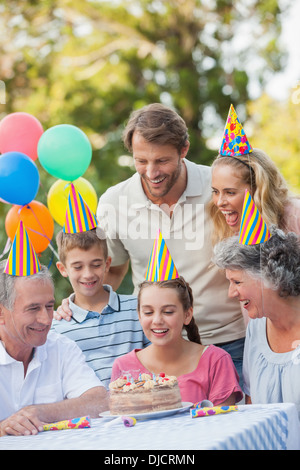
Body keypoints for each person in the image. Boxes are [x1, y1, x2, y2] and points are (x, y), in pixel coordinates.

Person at [92, 103, 246, 378]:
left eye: (161, 160)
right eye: (141, 161)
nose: (151, 172)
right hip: (159, 351)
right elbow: (113, 268)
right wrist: (83, 302)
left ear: (183, 150)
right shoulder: (113, 203)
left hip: (231, 344)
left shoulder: (217, 187)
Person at [0, 261, 107, 437]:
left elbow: (100, 402)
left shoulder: (62, 348)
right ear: (1, 313)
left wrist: (39, 412)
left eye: (49, 306)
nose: (46, 319)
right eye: (33, 308)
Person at [110, 277, 243, 405]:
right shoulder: (123, 367)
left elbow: (225, 421)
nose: (157, 320)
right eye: (148, 312)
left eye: (168, 312)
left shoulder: (216, 360)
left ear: (187, 315)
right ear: (139, 316)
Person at [213, 226, 300, 413]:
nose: (231, 293)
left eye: (237, 282)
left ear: (269, 278)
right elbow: (252, 406)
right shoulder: (256, 328)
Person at [53, 228, 150, 388]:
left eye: (96, 265)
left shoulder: (138, 309)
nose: (88, 274)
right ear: (63, 269)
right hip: (88, 411)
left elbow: (160, 361)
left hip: (140, 407)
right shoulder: (57, 329)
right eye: (78, 267)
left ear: (107, 264)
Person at [209, 146, 300, 247]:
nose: (219, 202)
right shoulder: (223, 226)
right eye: (215, 191)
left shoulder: (295, 216)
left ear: (259, 189)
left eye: (230, 192)